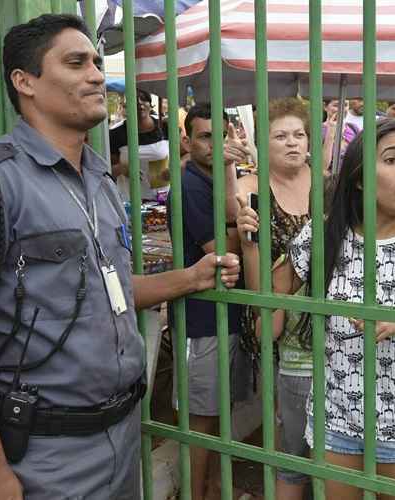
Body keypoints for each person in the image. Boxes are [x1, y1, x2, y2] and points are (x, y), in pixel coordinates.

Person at [0, 14, 241, 500]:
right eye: (76, 63)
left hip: (121, 437)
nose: (96, 74)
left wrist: (192, 278)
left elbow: (109, 290)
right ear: (24, 81)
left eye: (96, 61)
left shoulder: (98, 181)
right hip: (47, 456)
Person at [238, 118, 395, 499]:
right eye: (391, 159)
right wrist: (249, 246)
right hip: (335, 420)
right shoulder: (321, 236)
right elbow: (266, 312)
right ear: (359, 178)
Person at [166, 103, 250, 500]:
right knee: (201, 420)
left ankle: (215, 490)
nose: (216, 145)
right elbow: (225, 252)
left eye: (222, 135)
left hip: (227, 314)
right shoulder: (190, 186)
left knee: (219, 415)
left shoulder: (220, 178)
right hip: (202, 318)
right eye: (205, 136)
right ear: (186, 141)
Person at [235, 98, 313, 500]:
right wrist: (246, 237)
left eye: (299, 134)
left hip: (327, 322)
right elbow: (255, 283)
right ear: (263, 144)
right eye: (280, 136)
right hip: (277, 320)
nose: (292, 143)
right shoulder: (250, 189)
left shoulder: (327, 183)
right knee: (290, 434)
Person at [109, 88, 170, 201]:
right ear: (126, 106)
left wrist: (174, 169)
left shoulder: (165, 125)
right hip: (130, 200)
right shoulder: (116, 133)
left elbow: (188, 153)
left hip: (163, 200)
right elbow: (108, 170)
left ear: (150, 104)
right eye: (135, 99)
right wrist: (122, 169)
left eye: (144, 99)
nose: (140, 103)